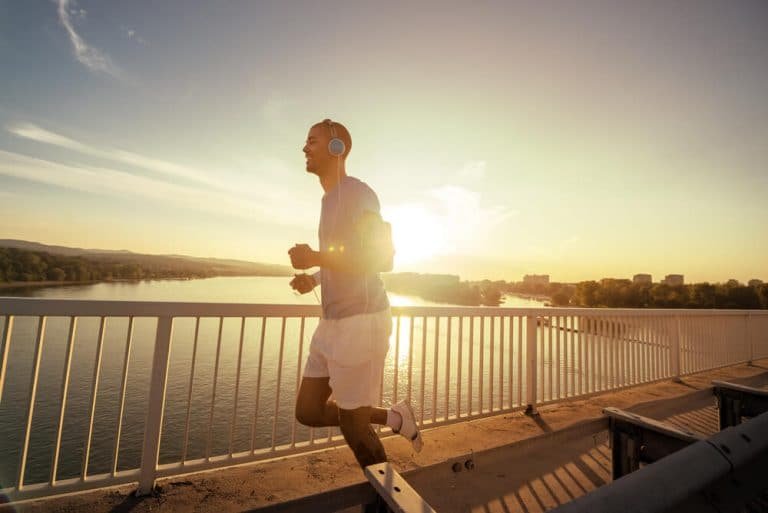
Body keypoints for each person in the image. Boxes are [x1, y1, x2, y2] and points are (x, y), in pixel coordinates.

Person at [289, 118, 423, 469]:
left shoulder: (358, 193)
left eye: (312, 141)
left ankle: (385, 501)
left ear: (337, 148)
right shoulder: (328, 199)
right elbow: (346, 256)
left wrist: (316, 256)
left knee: (353, 426)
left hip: (362, 322)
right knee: (308, 410)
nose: (304, 148)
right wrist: (316, 278)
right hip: (331, 324)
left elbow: (381, 258)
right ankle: (395, 418)